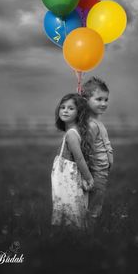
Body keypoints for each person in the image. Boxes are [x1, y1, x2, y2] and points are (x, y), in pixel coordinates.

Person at [51, 93, 94, 230]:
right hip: (65, 176)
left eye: (70, 108)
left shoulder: (71, 134)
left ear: (79, 112)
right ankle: (69, 231)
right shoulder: (73, 131)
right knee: (69, 204)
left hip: (67, 178)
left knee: (70, 204)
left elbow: (79, 158)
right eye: (62, 107)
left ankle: (71, 231)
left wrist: (88, 177)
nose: (65, 110)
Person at [81, 77, 114, 227]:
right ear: (86, 100)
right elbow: (85, 152)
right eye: (99, 99)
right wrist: (87, 177)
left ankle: (88, 230)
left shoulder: (97, 122)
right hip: (95, 173)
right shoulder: (91, 125)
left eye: (106, 99)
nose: (104, 103)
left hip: (101, 172)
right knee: (93, 207)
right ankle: (87, 234)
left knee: (96, 204)